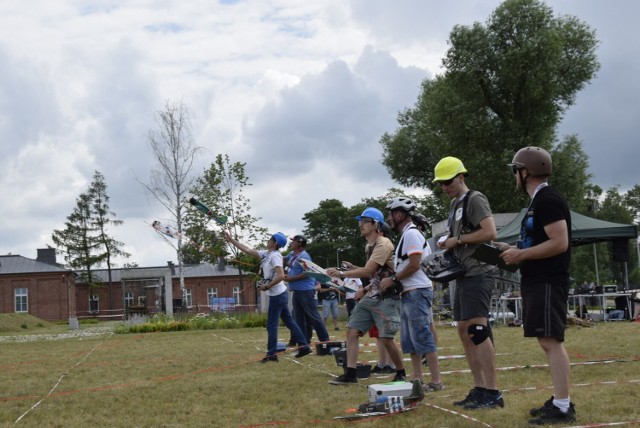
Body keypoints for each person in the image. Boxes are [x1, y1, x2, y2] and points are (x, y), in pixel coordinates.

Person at [495, 147, 576, 424]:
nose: (515, 176)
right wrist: (513, 248)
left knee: (551, 341)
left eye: (516, 171)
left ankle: (563, 406)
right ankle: (559, 400)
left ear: (525, 171)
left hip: (548, 279)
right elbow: (541, 239)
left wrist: (522, 254)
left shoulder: (547, 200)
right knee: (547, 341)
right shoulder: (539, 200)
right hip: (538, 278)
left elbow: (560, 242)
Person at [433, 156, 503, 409]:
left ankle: (493, 392)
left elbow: (490, 232)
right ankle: (481, 388)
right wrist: (446, 240)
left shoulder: (475, 198)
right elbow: (458, 235)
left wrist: (458, 240)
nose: (444, 186)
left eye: (447, 181)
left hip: (479, 272)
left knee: (477, 330)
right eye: (440, 183)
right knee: (464, 331)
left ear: (461, 176)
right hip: (464, 274)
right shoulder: (455, 204)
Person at [325, 207, 406, 385]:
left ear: (376, 225)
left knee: (385, 338)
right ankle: (351, 374)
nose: (360, 225)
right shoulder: (369, 245)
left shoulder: (383, 243)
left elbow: (369, 270)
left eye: (365, 221)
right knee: (352, 330)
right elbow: (375, 275)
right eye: (360, 221)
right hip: (374, 295)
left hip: (388, 297)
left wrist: (341, 273)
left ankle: (401, 372)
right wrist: (364, 288)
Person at [382, 197, 444, 391]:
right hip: (410, 292)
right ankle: (417, 379)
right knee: (410, 340)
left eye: (390, 214)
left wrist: (393, 279)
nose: (388, 219)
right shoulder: (407, 235)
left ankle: (436, 381)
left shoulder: (411, 234)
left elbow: (415, 264)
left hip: (417, 291)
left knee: (422, 337)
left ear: (399, 214)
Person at [223, 231, 311, 362]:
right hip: (279, 294)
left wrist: (267, 286)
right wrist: (231, 240)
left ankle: (271, 354)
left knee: (271, 325)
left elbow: (281, 275)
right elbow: (248, 250)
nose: (268, 240)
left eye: (270, 239)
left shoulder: (275, 256)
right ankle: (304, 346)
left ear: (275, 243)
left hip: (277, 295)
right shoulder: (267, 254)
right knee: (290, 322)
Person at [284, 235, 330, 344]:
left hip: (306, 291)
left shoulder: (304, 256)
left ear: (299, 243)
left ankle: (325, 340)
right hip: (297, 291)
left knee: (313, 316)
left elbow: (307, 273)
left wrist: (290, 279)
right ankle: (303, 342)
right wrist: (271, 255)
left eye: (293, 241)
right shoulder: (292, 254)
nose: (291, 243)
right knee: (298, 318)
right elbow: (284, 259)